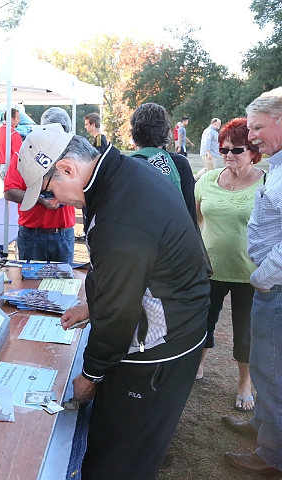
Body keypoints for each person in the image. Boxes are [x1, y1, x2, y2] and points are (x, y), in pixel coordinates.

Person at [24, 124, 209, 479]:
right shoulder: (121, 173)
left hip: (159, 349)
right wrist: (93, 304)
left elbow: (118, 316)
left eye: (49, 192)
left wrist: (90, 376)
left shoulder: (119, 217)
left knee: (116, 463)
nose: (54, 202)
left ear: (66, 169)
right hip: (174, 325)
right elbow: (131, 271)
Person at [222, 87, 282, 476]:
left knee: (272, 369)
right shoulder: (278, 164)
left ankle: (273, 455)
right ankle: (264, 427)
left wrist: (263, 276)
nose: (253, 136)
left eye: (258, 127)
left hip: (275, 288)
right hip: (271, 288)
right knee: (265, 366)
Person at [194, 118, 263, 411]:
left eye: (237, 149)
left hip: (251, 273)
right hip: (210, 269)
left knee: (245, 333)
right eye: (224, 149)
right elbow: (197, 218)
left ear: (253, 151)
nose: (229, 155)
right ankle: (197, 367)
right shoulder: (207, 180)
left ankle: (244, 382)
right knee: (202, 322)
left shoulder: (267, 182)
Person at [3, 111, 76, 263]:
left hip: (63, 233)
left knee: (63, 285)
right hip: (32, 233)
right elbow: (10, 192)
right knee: (30, 284)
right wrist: (40, 200)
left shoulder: (73, 156)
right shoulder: (26, 153)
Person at [129, 102, 197, 222]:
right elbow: (190, 211)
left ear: (134, 131)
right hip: (176, 235)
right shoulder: (179, 163)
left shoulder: (128, 166)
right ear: (166, 131)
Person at [0, 108, 21, 180]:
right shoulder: (14, 134)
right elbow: (18, 155)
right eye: (18, 118)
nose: (19, 121)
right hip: (9, 167)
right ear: (12, 119)